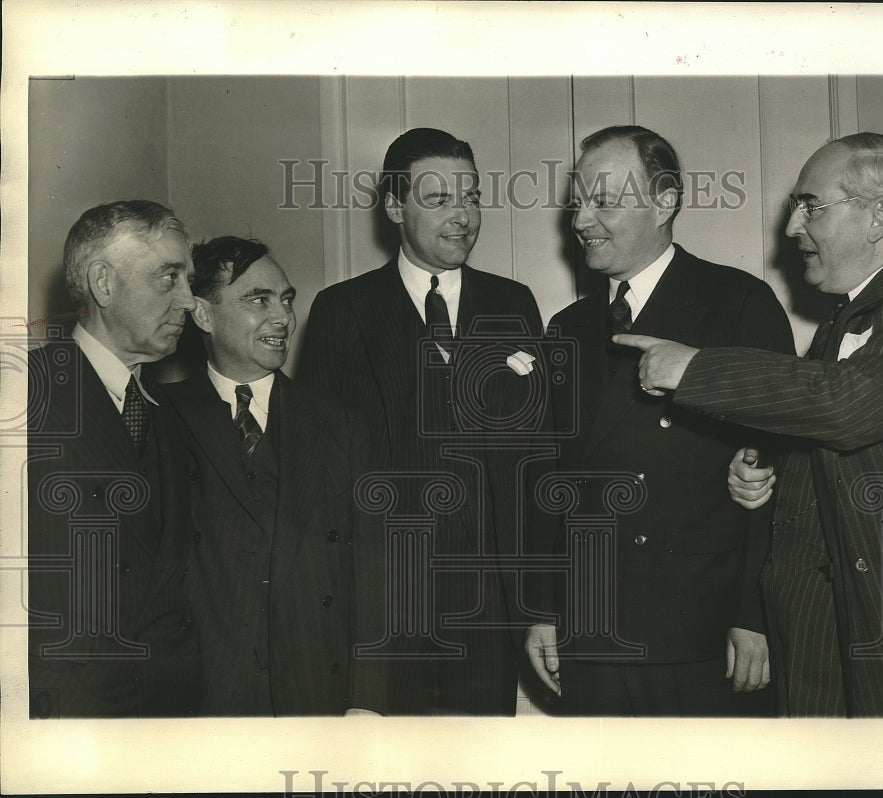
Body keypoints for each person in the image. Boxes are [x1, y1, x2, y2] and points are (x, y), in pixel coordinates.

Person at [616, 132, 883, 717]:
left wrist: (697, 368)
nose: (791, 227)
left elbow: (850, 404)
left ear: (879, 216)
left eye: (811, 206)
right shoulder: (836, 327)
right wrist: (769, 473)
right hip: (818, 645)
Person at [524, 125, 795, 715]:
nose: (582, 220)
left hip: (702, 629)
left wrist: (755, 616)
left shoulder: (738, 303)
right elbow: (551, 480)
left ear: (665, 202)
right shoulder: (567, 328)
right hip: (593, 627)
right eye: (578, 201)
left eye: (605, 202)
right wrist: (545, 609)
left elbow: (774, 471)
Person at [296, 128, 550, 715]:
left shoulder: (514, 304)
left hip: (490, 608)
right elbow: (316, 474)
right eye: (439, 200)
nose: (462, 216)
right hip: (383, 606)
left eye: (471, 197)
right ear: (393, 206)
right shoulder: (342, 311)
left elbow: (538, 459)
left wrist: (538, 603)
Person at [162, 236, 383, 716]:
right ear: (203, 314)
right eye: (257, 299)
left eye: (285, 300)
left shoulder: (340, 424)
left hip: (317, 696)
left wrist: (368, 701)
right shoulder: (163, 421)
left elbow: (375, 572)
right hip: (205, 701)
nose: (282, 316)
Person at [27, 200, 200, 718]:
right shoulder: (24, 395)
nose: (190, 301)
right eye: (169, 278)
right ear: (103, 283)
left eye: (188, 280)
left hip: (167, 719)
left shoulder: (170, 417)